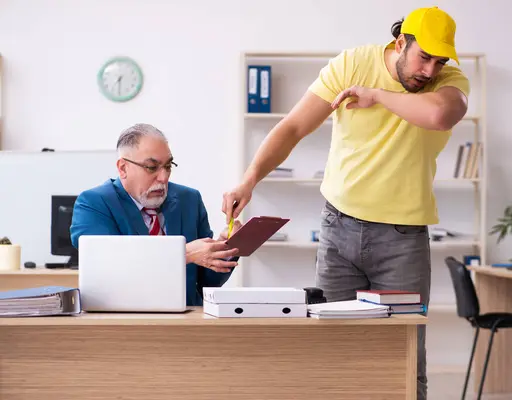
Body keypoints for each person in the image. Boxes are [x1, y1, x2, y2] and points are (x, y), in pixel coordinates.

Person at [222, 6, 469, 399]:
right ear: (401, 41)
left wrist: (376, 95)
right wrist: (249, 180)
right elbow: (293, 127)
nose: (430, 70)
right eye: (424, 57)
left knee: (406, 362)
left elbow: (440, 115)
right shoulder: (354, 62)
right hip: (338, 232)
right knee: (336, 358)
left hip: (402, 242)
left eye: (440, 61)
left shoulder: (449, 82)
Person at [71, 123, 241, 306]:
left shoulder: (189, 200)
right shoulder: (93, 203)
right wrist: (185, 254)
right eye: (152, 167)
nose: (164, 177)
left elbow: (206, 283)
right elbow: (109, 265)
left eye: (168, 166)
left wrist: (225, 249)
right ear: (123, 168)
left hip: (188, 321)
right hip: (125, 320)